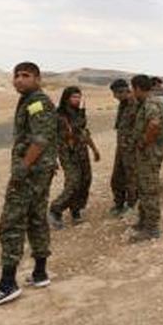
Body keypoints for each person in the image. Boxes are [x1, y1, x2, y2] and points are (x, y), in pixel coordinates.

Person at [0, 62, 58, 308]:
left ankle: (7, 284)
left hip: (30, 173)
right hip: (39, 171)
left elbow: (40, 139)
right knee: (36, 218)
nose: (19, 80)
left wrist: (22, 168)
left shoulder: (37, 102)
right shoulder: (29, 99)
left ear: (38, 78)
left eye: (26, 75)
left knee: (11, 223)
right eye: (16, 76)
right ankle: (40, 273)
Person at [48, 86, 100, 229]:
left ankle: (76, 211)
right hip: (68, 154)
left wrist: (94, 149)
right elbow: (50, 139)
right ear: (66, 98)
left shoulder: (79, 114)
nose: (77, 100)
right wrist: (53, 159)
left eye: (79, 97)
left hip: (82, 152)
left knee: (85, 181)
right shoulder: (59, 116)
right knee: (73, 182)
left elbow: (84, 133)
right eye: (74, 97)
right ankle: (55, 210)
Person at [128, 74, 163, 242]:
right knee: (143, 187)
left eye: (132, 89)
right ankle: (144, 221)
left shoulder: (151, 103)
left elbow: (155, 124)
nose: (132, 92)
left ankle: (152, 228)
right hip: (146, 154)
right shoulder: (147, 103)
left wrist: (144, 142)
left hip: (149, 153)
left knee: (149, 189)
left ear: (137, 88)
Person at [109, 78, 138, 216]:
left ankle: (132, 206)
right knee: (117, 177)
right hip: (121, 147)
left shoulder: (135, 104)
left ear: (123, 91)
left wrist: (134, 144)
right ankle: (119, 203)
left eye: (116, 93)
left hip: (132, 149)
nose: (115, 97)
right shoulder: (123, 104)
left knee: (131, 178)